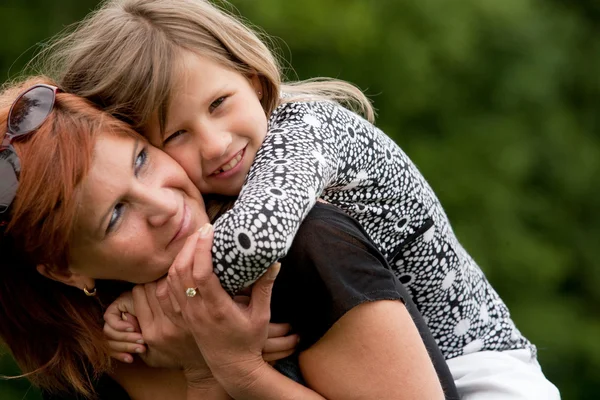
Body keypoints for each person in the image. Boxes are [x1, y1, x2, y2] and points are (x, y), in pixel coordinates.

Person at [42, 0, 560, 398]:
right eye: (175, 135)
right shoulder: (226, 180)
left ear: (250, 74)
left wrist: (175, 314)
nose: (215, 142)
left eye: (220, 103)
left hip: (483, 365)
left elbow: (255, 240)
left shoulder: (303, 132)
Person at [0, 77, 457, 399]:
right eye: (116, 215)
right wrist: (203, 371)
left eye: (141, 161)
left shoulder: (303, 247)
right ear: (65, 269)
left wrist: (237, 368)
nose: (163, 205)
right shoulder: (84, 364)